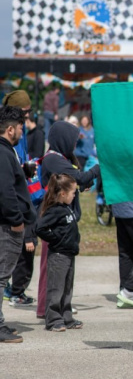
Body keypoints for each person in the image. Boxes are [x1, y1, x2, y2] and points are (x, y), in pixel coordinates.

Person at [37, 121, 101, 320]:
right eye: (72, 141)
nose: (74, 146)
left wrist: (82, 184)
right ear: (63, 139)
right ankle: (47, 310)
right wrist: (100, 166)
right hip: (54, 221)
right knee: (52, 269)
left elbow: (74, 182)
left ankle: (61, 309)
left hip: (65, 221)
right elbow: (79, 177)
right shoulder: (53, 159)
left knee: (63, 271)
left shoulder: (61, 158)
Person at [0, 106, 36, 343]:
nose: (23, 130)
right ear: (10, 129)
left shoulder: (6, 152)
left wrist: (22, 170)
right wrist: (16, 222)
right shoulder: (3, 153)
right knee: (1, 277)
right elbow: (5, 190)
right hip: (7, 227)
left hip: (8, 224)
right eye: (21, 126)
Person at [34, 174, 83, 332]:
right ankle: (53, 319)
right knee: (56, 288)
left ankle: (66, 317)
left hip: (69, 254)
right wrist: (55, 239)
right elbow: (39, 227)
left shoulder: (66, 208)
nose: (74, 195)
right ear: (62, 194)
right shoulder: (54, 210)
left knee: (67, 288)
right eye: (73, 193)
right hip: (58, 255)